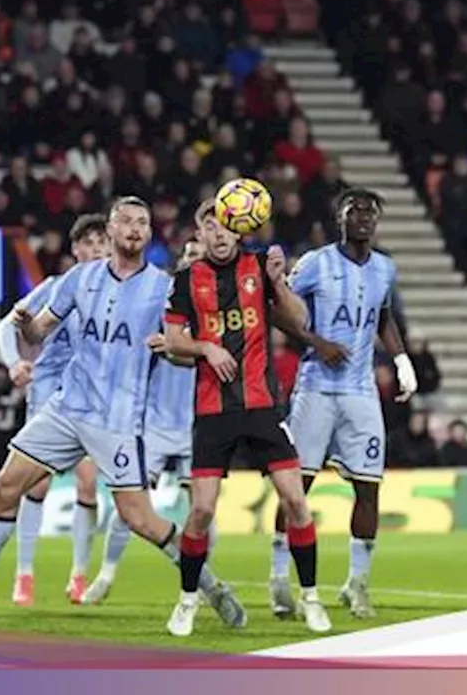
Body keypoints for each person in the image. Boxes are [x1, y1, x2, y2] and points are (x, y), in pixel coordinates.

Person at [0, 197, 247, 631]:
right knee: (4, 488)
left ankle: (211, 586)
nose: (134, 228)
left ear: (149, 234)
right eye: (126, 221)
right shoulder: (81, 278)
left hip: (118, 421)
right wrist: (24, 326)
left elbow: (187, 353)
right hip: (66, 408)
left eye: (142, 223)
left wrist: (176, 348)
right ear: (112, 230)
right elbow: (41, 330)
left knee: (141, 520)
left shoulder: (165, 289)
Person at [164, 201, 331, 636]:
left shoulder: (259, 267)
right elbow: (173, 339)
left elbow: (298, 321)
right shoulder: (185, 281)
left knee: (296, 501)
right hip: (212, 409)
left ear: (240, 230)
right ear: (199, 234)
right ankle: (186, 601)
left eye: (225, 227)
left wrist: (279, 282)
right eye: (209, 228)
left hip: (261, 406)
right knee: (200, 510)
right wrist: (206, 348)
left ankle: (311, 596)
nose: (218, 235)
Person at [267, 188, 416, 620]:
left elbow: (383, 317)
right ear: (340, 219)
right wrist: (316, 342)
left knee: (369, 488)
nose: (365, 218)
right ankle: (279, 579)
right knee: (297, 489)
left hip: (361, 391)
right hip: (315, 388)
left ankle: (357, 583)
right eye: (356, 212)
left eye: (371, 213)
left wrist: (401, 359)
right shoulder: (315, 263)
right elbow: (279, 309)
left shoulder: (385, 268)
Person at [81, 238, 205, 605]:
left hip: (199, 425)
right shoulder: (159, 305)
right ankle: (105, 575)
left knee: (202, 510)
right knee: (131, 506)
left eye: (200, 257)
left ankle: (196, 585)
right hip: (153, 422)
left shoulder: (217, 311)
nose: (195, 262)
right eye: (190, 255)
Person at [0, 214, 110, 606]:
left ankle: (78, 574)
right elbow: (5, 326)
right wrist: (14, 362)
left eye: (101, 243)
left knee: (88, 483)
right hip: (48, 390)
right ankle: (24, 574)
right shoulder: (55, 287)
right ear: (75, 250)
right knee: (37, 483)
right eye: (88, 244)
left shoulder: (118, 293)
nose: (96, 250)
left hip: (92, 398)